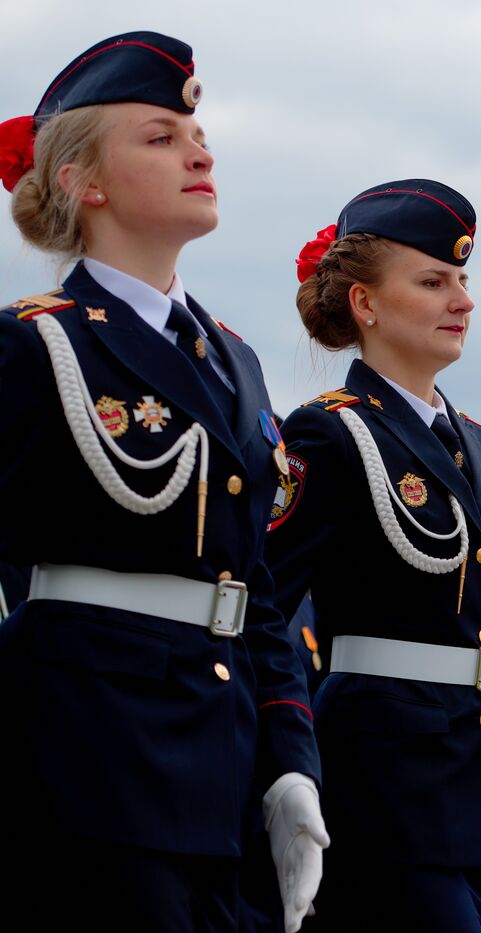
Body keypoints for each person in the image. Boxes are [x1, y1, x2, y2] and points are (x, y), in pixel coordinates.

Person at [0, 31, 323, 931]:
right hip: (86, 762)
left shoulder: (238, 360)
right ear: (81, 182)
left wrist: (293, 761)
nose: (199, 148)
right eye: (159, 136)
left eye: (198, 133)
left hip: (226, 761)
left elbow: (252, 586)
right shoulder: (33, 344)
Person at [267, 180, 481, 931]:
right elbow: (266, 607)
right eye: (433, 281)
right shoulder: (329, 433)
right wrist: (286, 756)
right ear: (366, 305)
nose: (463, 300)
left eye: (464, 282)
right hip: (383, 781)